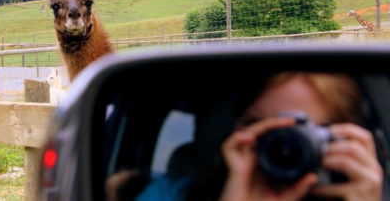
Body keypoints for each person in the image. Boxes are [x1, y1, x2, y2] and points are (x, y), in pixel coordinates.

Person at [136, 71, 384, 201]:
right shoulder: (171, 194)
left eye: (308, 134)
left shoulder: (364, 193)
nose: (285, 147)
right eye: (260, 127)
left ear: (347, 143)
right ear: (235, 132)